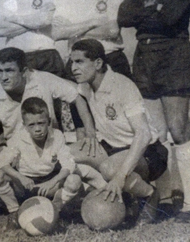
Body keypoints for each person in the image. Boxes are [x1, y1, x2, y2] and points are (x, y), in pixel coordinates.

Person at [117, 0, 190, 221]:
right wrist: (152, 8)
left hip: (174, 55)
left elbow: (171, 17)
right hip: (144, 57)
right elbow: (123, 17)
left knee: (178, 130)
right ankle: (164, 199)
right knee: (156, 134)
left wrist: (147, 12)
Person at [0, 47, 97, 217]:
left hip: (49, 146)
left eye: (9, 70)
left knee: (85, 159)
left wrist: (90, 132)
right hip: (17, 151)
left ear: (24, 71)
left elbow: (76, 97)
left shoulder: (42, 79)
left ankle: (73, 198)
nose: (3, 77)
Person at [69, 39, 168, 224]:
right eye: (71, 62)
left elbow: (143, 134)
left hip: (148, 152)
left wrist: (120, 176)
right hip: (113, 149)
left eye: (79, 62)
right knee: (68, 154)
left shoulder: (122, 85)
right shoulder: (83, 86)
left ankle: (150, 194)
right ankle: (120, 196)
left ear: (98, 63)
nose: (73, 67)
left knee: (110, 169)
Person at [0, 97, 82, 230]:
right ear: (24, 125)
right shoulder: (18, 137)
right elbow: (2, 162)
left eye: (41, 123)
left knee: (74, 180)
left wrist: (53, 181)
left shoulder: (57, 136)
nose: (37, 129)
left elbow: (68, 164)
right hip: (24, 184)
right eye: (31, 125)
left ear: (49, 122)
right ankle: (14, 212)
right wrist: (21, 178)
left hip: (48, 183)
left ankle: (55, 210)